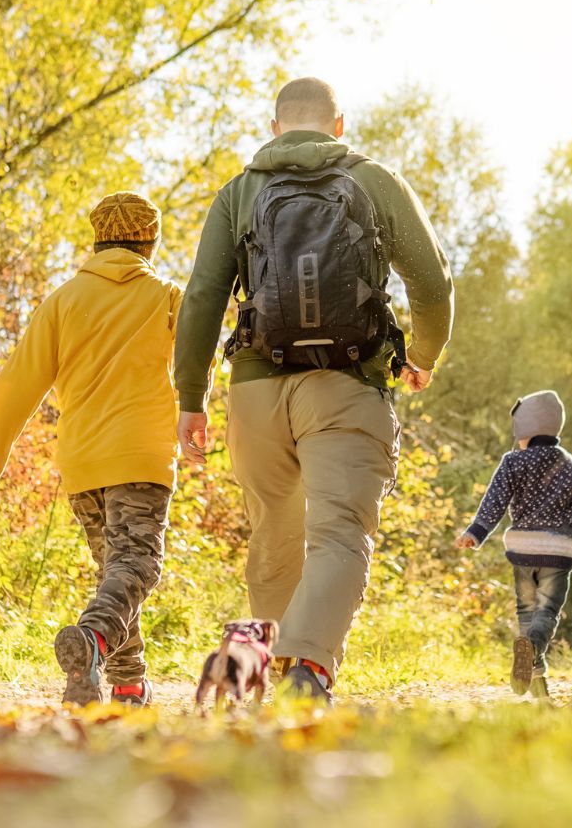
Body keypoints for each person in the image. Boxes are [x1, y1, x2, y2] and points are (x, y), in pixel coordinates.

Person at [175, 77, 453, 704]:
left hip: (256, 390)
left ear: (275, 128)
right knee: (339, 533)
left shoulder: (240, 191)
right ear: (339, 125)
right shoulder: (374, 181)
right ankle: (307, 670)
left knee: (274, 531)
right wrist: (422, 357)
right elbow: (433, 287)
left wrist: (190, 397)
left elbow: (202, 298)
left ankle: (252, 667)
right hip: (346, 383)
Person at [0, 192, 182, 707]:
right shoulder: (169, 296)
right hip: (143, 455)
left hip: (82, 461)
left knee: (117, 573)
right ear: (151, 240)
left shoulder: (62, 301)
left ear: (96, 239)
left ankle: (126, 683)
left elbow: (17, 384)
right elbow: (198, 365)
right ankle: (93, 637)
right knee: (138, 565)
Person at [455, 390, 572, 700]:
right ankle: (534, 656)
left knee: (527, 612)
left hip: (523, 551)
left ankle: (536, 676)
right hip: (557, 553)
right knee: (547, 612)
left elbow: (494, 502)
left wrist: (476, 532)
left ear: (524, 431)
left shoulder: (513, 463)